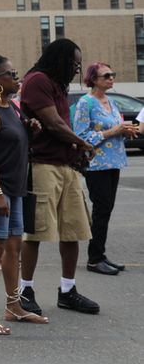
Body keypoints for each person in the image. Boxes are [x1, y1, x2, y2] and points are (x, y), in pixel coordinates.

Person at [19, 38, 98, 316]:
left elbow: (61, 125)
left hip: (66, 167)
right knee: (36, 232)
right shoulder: (37, 81)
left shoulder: (57, 85)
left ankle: (68, 291)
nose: (77, 69)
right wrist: (83, 143)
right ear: (60, 59)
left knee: (73, 230)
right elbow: (52, 123)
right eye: (74, 63)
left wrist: (75, 149)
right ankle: (24, 290)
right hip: (42, 165)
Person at [0, 55, 48, 337]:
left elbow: (12, 144)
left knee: (15, 247)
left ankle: (14, 306)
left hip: (14, 188)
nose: (18, 78)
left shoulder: (12, 108)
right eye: (12, 74)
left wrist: (30, 130)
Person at [73, 62, 138, 275]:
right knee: (101, 210)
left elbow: (116, 126)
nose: (111, 78)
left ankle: (100, 254)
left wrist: (125, 131)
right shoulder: (86, 103)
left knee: (106, 210)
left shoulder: (110, 101)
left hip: (114, 162)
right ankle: (94, 258)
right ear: (93, 80)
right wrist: (112, 131)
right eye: (106, 75)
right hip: (97, 165)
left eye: (112, 74)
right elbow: (81, 137)